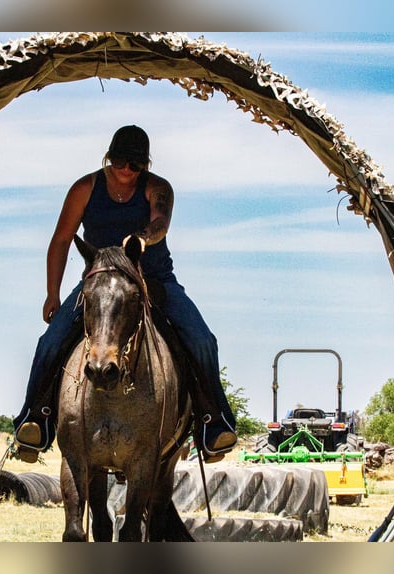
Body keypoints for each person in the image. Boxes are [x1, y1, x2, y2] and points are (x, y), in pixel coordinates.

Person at [12, 125, 237, 463]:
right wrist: (52, 294)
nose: (127, 170)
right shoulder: (85, 188)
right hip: (99, 281)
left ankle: (212, 422)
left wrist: (143, 239)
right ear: (109, 157)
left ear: (144, 165)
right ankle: (35, 419)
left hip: (153, 278)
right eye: (120, 162)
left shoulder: (158, 189)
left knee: (202, 339)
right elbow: (61, 240)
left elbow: (161, 222)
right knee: (51, 341)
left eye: (135, 165)